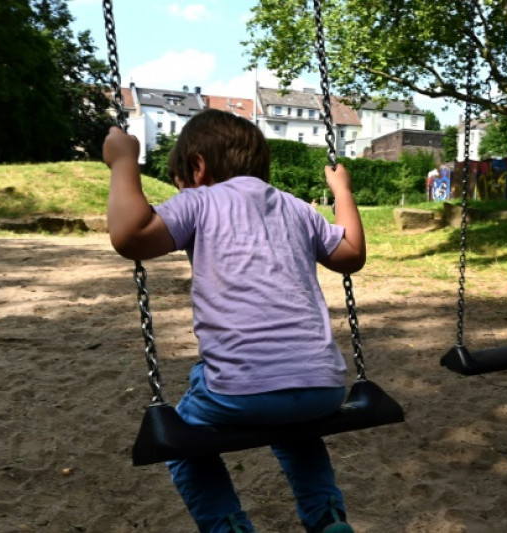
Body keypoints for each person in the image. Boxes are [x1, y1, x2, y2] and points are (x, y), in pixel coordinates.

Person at [103, 109, 366, 533]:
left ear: (198, 167)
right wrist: (342, 190)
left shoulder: (200, 201)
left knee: (184, 438)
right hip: (323, 388)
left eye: (178, 180)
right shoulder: (298, 209)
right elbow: (351, 254)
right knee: (297, 431)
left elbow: (131, 235)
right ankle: (329, 520)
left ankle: (229, 528)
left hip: (240, 391)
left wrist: (123, 162)